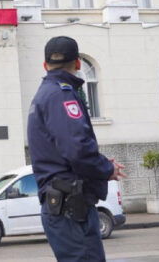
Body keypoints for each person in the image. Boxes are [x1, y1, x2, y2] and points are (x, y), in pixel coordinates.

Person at [27, 36, 126, 262]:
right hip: (71, 208)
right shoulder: (61, 95)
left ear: (45, 65)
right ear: (78, 63)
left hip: (64, 204)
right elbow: (77, 149)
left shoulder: (45, 93)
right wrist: (106, 168)